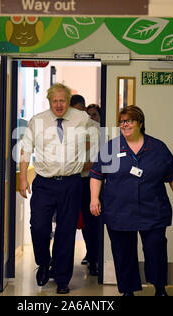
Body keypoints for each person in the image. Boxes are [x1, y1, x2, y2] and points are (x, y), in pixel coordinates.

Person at [89, 105, 173, 296]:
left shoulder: (158, 148)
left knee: (155, 250)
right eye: (122, 122)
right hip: (118, 210)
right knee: (123, 252)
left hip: (153, 210)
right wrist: (94, 198)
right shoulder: (111, 147)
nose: (125, 125)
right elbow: (96, 175)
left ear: (140, 123)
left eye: (129, 121)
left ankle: (159, 288)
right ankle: (128, 290)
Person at [19, 84, 97, 294]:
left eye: (63, 100)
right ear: (49, 101)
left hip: (72, 182)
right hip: (44, 182)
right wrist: (23, 178)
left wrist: (83, 155)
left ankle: (62, 279)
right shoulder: (39, 120)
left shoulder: (81, 119)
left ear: (68, 101)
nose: (59, 105)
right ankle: (44, 262)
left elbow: (96, 138)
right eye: (55, 101)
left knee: (66, 231)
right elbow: (26, 149)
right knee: (39, 226)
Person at [70, 96, 100, 276]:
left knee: (91, 223)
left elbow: (97, 162)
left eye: (81, 109)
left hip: (89, 181)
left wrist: (73, 165)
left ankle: (94, 259)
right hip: (70, 180)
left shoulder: (95, 129)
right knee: (66, 223)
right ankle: (59, 265)